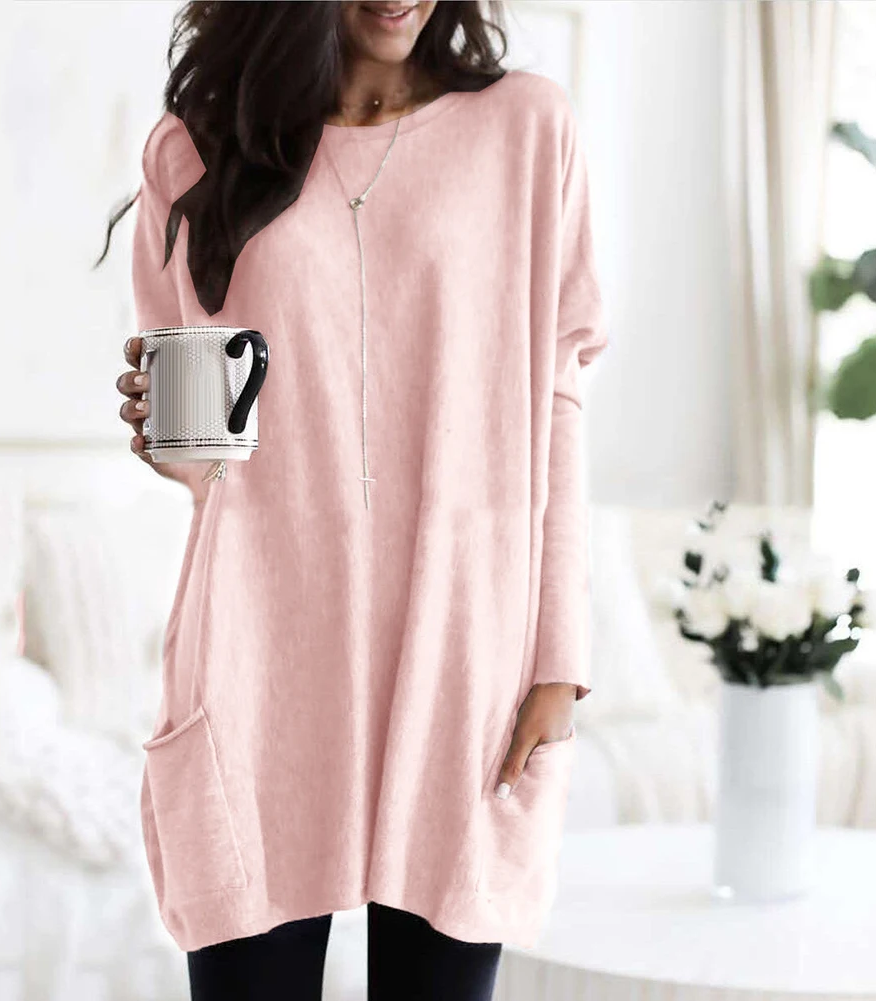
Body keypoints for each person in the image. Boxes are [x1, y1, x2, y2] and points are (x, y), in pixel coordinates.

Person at [102, 2, 609, 998]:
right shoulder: (195, 148)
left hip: (459, 650)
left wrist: (558, 659)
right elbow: (209, 451)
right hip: (260, 649)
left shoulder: (526, 128)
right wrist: (172, 445)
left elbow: (557, 399)